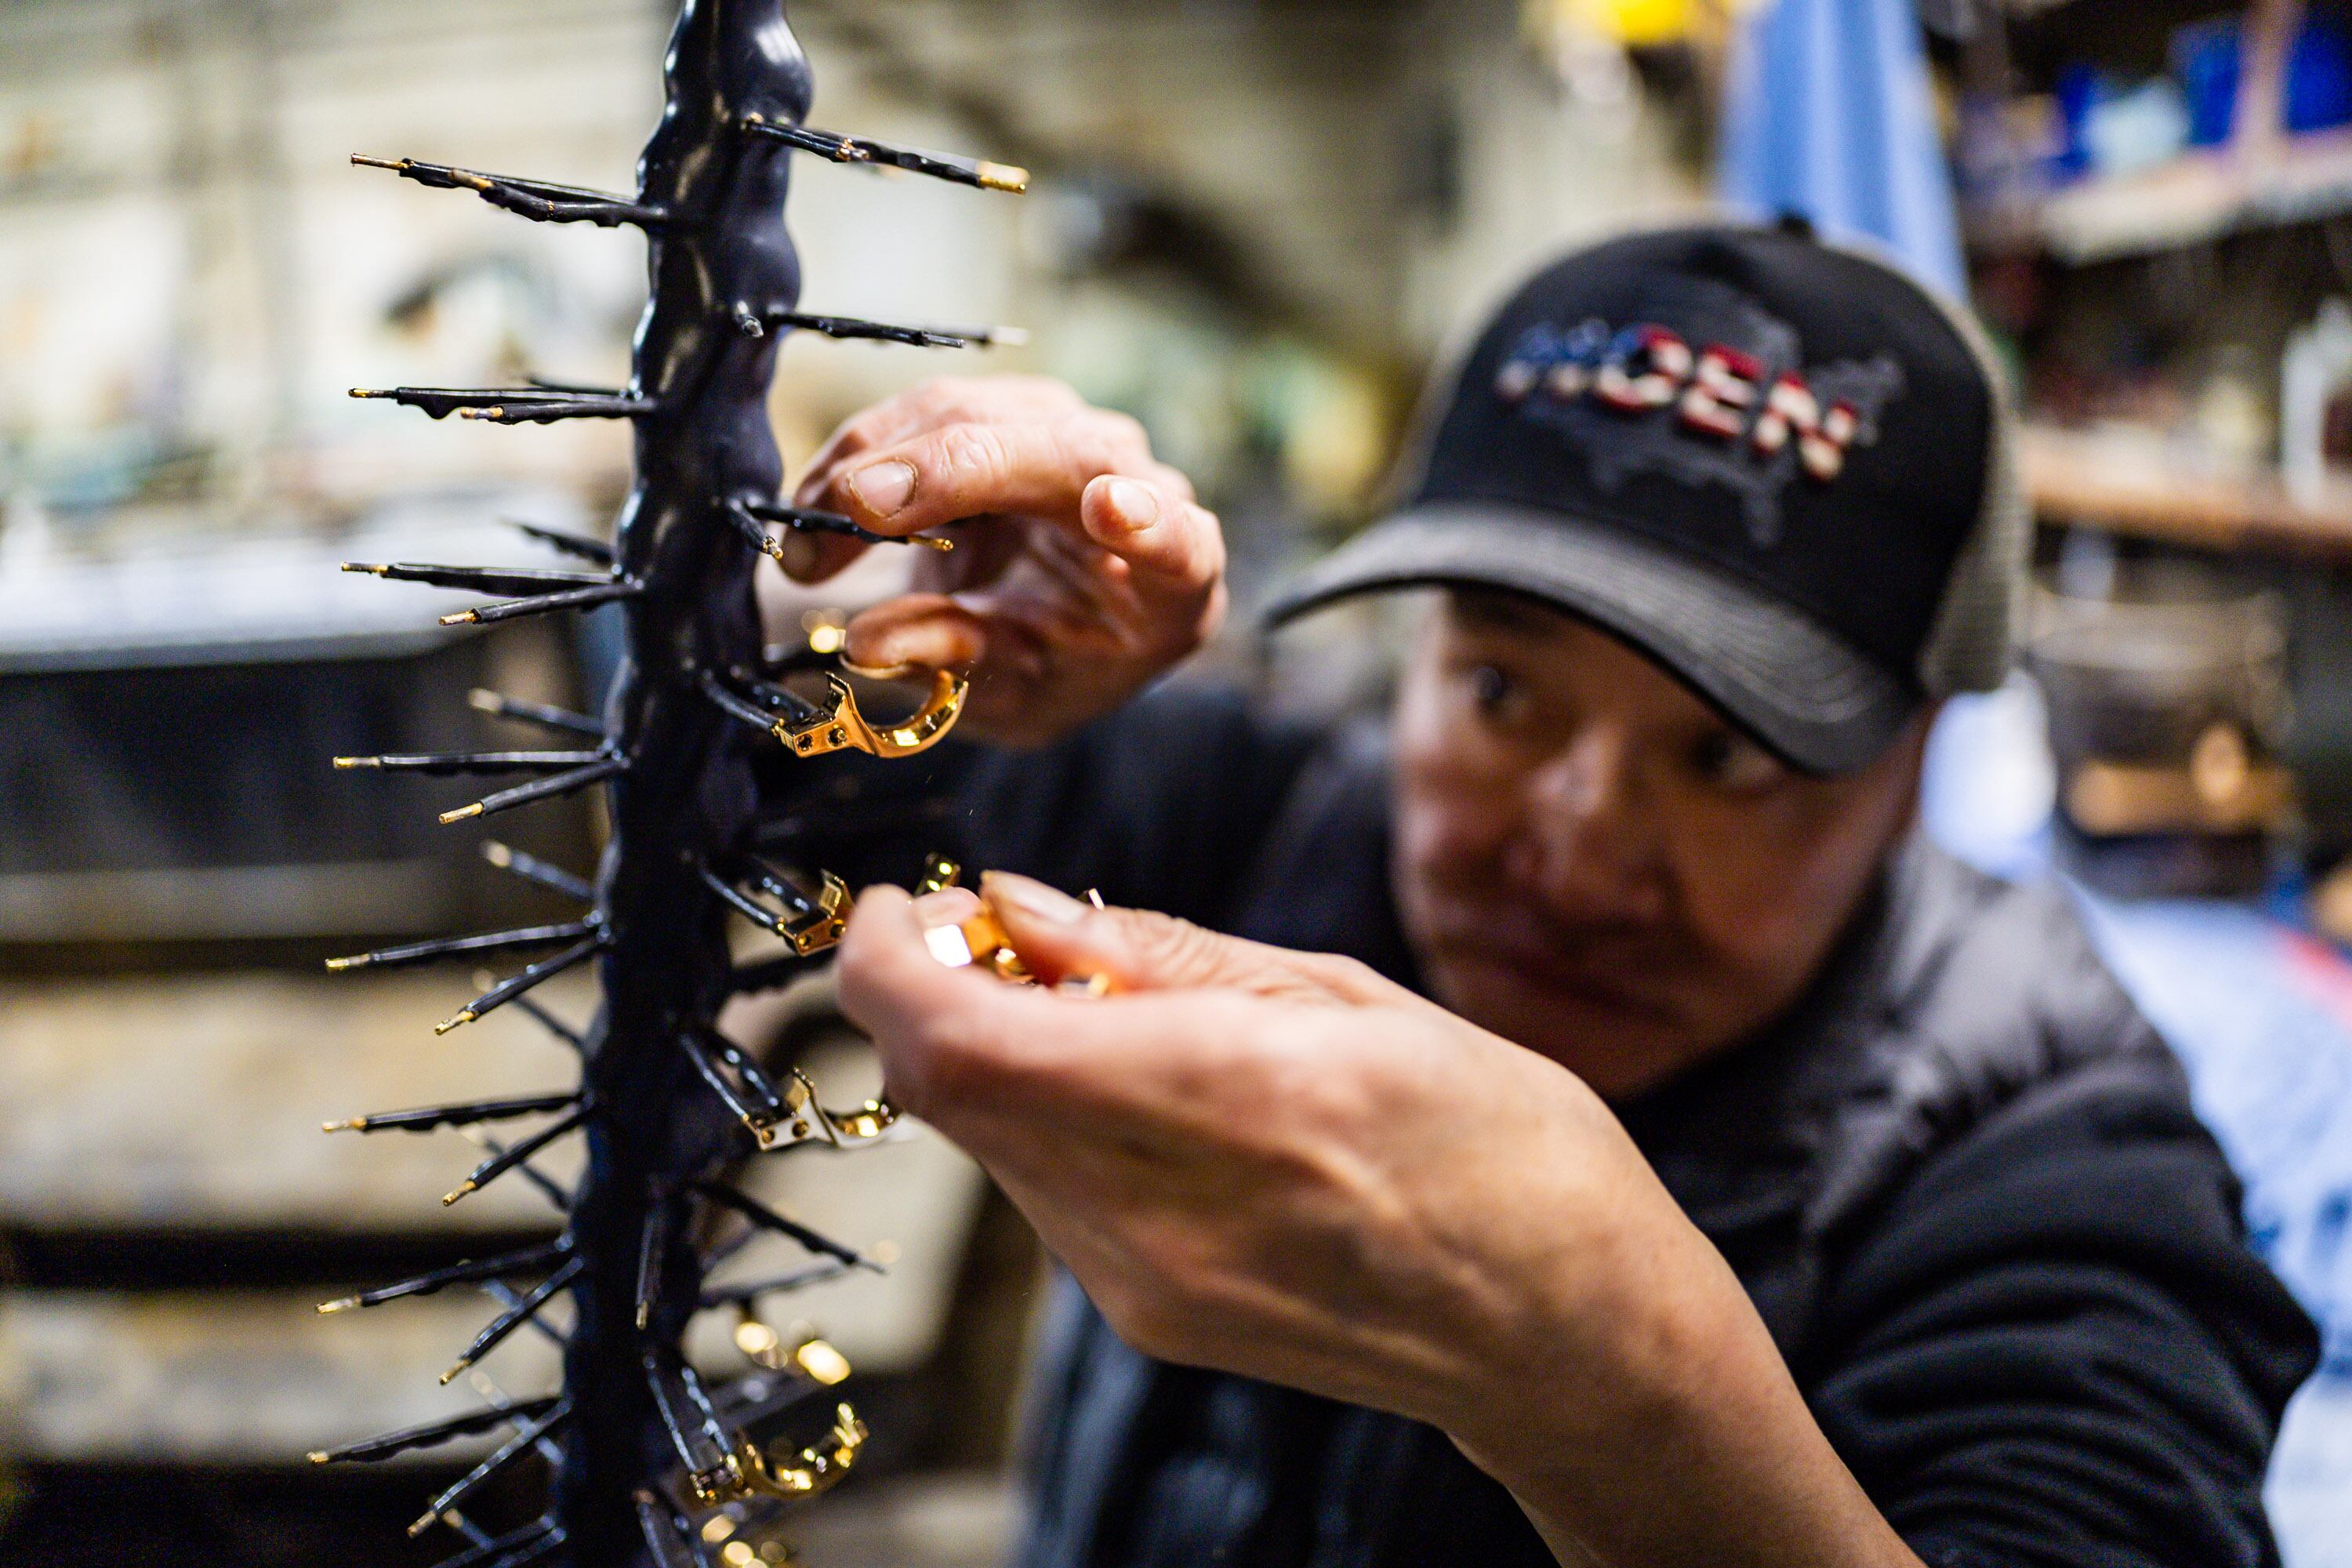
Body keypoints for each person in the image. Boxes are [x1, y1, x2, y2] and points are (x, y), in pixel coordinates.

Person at [752, 224, 2319, 1568]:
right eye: (1503, 686)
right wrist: (896, 634)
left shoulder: (2049, 1145)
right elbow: (716, 797)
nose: (1577, 848)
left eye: (1731, 757)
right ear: (1412, 653)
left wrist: (1621, 1393)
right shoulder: (1276, 818)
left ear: (1924, 757)